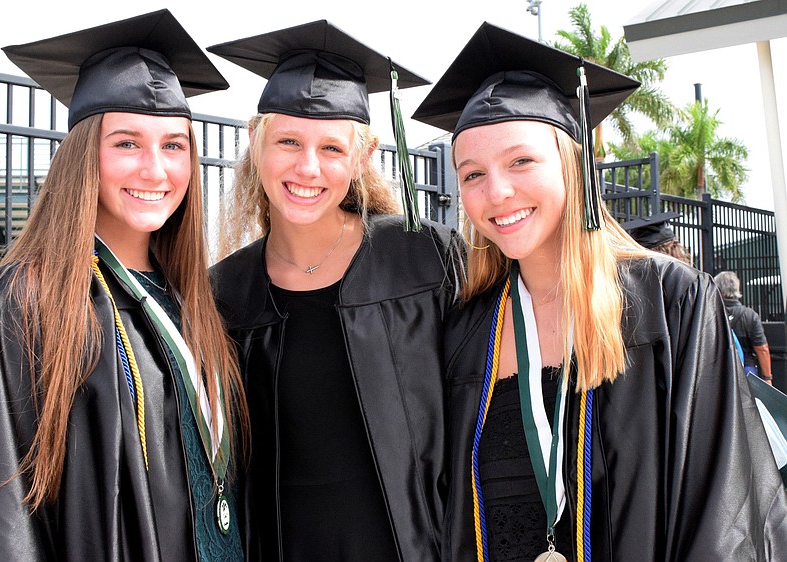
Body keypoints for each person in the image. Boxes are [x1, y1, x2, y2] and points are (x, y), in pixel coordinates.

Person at [412, 22, 787, 561]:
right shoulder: (468, 330)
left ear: (574, 165)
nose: (496, 192)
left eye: (521, 160)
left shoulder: (669, 302)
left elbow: (721, 505)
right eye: (471, 174)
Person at [0, 10, 248, 561]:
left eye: (174, 145)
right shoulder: (29, 298)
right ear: (84, 156)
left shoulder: (197, 302)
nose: (156, 169)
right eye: (127, 143)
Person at [206, 20, 463, 562]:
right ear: (256, 140)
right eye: (289, 141)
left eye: (331, 147)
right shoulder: (225, 294)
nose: (308, 167)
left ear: (364, 153)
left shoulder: (425, 259)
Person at [715, 270, 774, 384]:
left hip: (718, 370)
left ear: (717, 289)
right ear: (737, 287)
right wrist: (767, 378)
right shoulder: (750, 315)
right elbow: (762, 349)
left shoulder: (712, 313)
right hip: (746, 370)